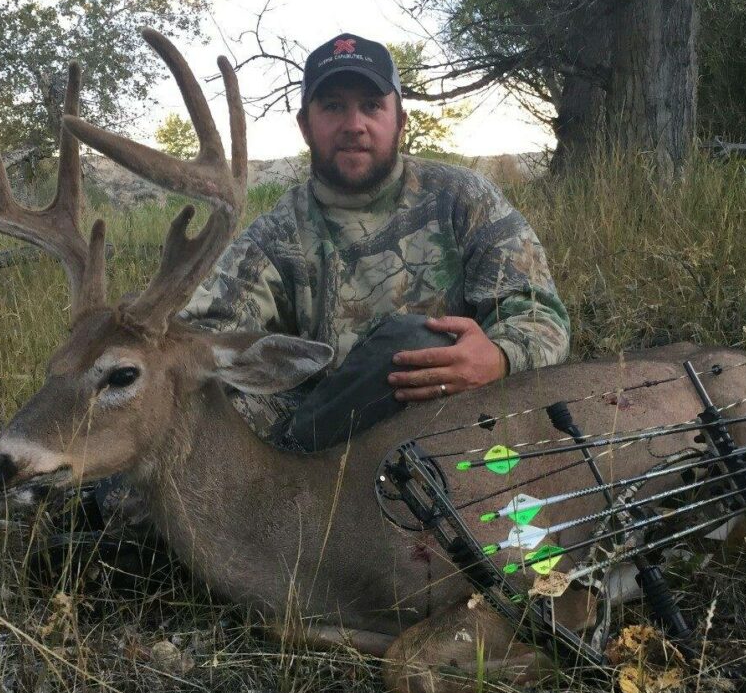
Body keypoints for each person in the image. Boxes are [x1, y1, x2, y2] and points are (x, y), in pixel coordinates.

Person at [181, 33, 570, 451]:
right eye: (333, 107)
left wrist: (499, 357)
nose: (354, 125)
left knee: (417, 340)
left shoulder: (463, 199)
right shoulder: (277, 234)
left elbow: (540, 316)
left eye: (371, 106)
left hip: (462, 429)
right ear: (305, 126)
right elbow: (199, 336)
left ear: (400, 121)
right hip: (330, 440)